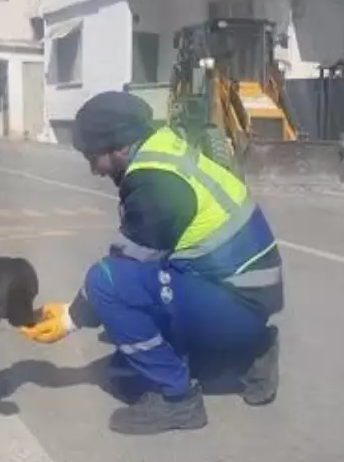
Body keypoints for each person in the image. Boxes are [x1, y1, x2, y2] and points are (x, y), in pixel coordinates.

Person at [19, 91, 283, 435]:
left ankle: (177, 399)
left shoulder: (153, 183)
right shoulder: (166, 148)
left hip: (234, 303)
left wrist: (72, 316)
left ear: (119, 148)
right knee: (133, 308)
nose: (92, 169)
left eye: (92, 157)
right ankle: (253, 353)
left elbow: (123, 267)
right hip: (249, 295)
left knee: (104, 284)